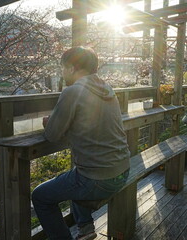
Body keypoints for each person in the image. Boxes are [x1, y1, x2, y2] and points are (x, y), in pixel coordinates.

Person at [32, 46, 130, 240]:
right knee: (75, 176)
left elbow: (52, 134)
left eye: (63, 67)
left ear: (72, 67)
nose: (61, 72)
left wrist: (49, 121)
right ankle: (85, 229)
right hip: (122, 169)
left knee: (40, 196)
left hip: (97, 178)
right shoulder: (107, 88)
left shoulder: (73, 91)